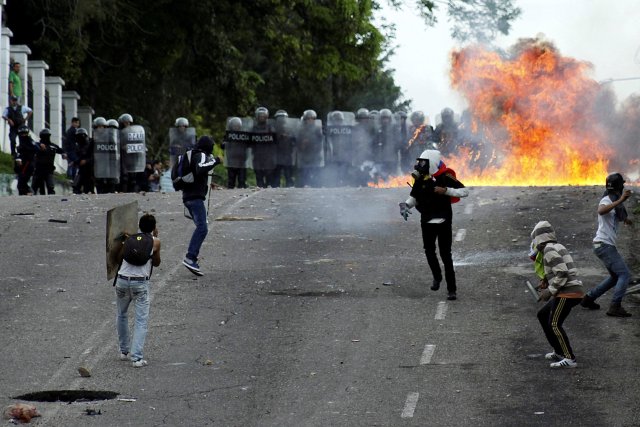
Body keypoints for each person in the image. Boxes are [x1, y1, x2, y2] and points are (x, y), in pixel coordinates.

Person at [399, 149, 468, 300]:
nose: (421, 165)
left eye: (424, 162)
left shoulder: (446, 176)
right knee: (429, 251)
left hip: (443, 221)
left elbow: (464, 191)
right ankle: (437, 277)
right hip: (427, 221)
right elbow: (414, 198)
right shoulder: (421, 179)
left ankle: (452, 290)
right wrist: (405, 205)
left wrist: (446, 191)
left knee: (446, 255)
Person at [530, 220, 584, 369]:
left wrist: (550, 291)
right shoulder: (556, 246)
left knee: (554, 323)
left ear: (538, 240)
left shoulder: (548, 250)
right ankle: (559, 351)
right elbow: (558, 271)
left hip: (568, 292)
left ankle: (569, 358)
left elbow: (562, 272)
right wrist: (546, 282)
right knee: (543, 315)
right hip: (569, 290)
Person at [580, 173, 634, 317]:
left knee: (615, 277)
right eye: (621, 185)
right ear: (618, 187)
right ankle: (615, 306)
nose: (623, 187)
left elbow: (617, 214)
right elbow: (601, 210)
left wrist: (626, 220)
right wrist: (621, 199)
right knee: (624, 274)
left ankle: (588, 299)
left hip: (603, 245)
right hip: (604, 245)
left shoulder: (613, 200)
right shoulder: (607, 199)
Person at [115, 213, 161, 368]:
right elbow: (157, 263)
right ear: (154, 227)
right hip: (139, 284)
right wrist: (155, 242)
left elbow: (121, 257)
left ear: (139, 226)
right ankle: (137, 358)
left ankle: (124, 351)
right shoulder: (155, 242)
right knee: (141, 320)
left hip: (122, 280)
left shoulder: (129, 239)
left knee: (121, 314)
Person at [180, 136, 220, 276]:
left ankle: (191, 258)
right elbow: (199, 168)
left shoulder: (193, 154)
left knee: (201, 226)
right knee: (202, 228)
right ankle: (190, 257)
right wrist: (216, 161)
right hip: (194, 198)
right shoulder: (201, 155)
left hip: (188, 197)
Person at [32, 129, 66, 195]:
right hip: (38, 170)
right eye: (44, 136)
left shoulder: (53, 146)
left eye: (47, 136)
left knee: (50, 187)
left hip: (49, 170)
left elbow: (62, 151)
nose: (46, 138)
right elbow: (31, 144)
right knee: (34, 188)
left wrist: (64, 154)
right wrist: (39, 145)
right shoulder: (37, 145)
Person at [14, 125, 38, 195]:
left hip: (28, 164)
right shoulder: (20, 142)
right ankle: (26, 194)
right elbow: (18, 153)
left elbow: (36, 148)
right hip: (23, 165)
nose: (23, 135)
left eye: (25, 133)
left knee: (21, 183)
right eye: (21, 134)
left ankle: (30, 192)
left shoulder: (29, 141)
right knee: (20, 184)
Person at [74, 128, 95, 193]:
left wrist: (86, 161)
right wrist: (75, 162)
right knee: (76, 187)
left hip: (90, 170)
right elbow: (78, 156)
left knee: (88, 188)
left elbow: (94, 156)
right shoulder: (78, 146)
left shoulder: (91, 144)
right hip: (82, 169)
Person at [64, 117, 81, 181]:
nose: (77, 124)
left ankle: (71, 177)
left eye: (78, 123)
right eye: (76, 123)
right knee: (74, 163)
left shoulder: (69, 130)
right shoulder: (74, 131)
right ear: (73, 123)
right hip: (72, 150)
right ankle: (71, 177)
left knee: (71, 163)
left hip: (69, 150)